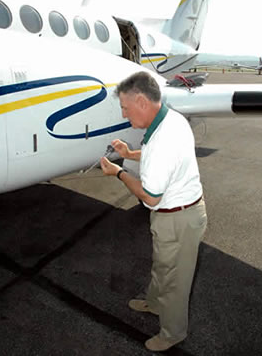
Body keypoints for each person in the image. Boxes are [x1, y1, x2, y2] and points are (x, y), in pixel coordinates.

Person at [100, 71, 207, 352]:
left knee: (175, 281)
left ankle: (173, 333)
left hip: (177, 218)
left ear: (141, 102)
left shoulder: (163, 139)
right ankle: (156, 303)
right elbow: (153, 153)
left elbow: (150, 196)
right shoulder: (169, 119)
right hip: (175, 216)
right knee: (163, 266)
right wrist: (129, 152)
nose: (124, 114)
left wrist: (118, 172)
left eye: (125, 107)